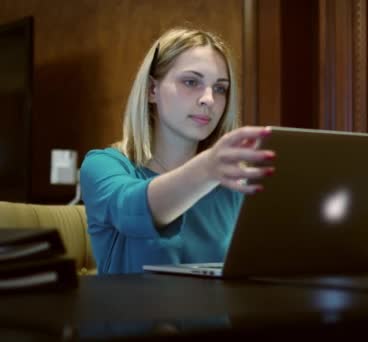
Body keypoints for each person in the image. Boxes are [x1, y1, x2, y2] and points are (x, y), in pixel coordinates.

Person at [80, 27, 275, 274]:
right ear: (152, 90)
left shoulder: (235, 184)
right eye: (191, 82)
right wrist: (207, 169)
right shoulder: (104, 165)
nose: (209, 99)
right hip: (134, 312)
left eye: (220, 88)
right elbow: (132, 209)